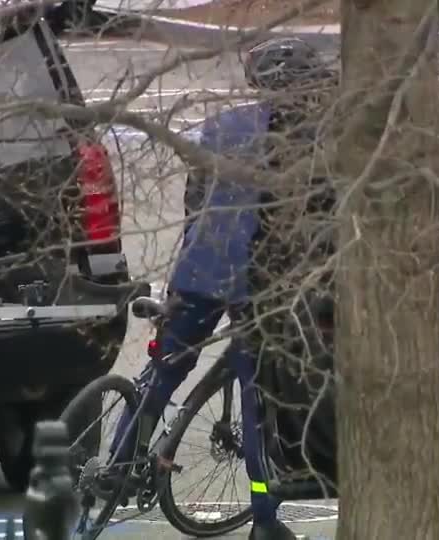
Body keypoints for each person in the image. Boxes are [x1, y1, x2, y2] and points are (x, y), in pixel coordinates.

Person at [109, 37, 333, 540]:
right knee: (259, 403)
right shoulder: (316, 142)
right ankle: (265, 519)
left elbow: (194, 203)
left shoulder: (222, 129)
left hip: (200, 273)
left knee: (165, 368)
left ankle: (117, 466)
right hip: (259, 286)